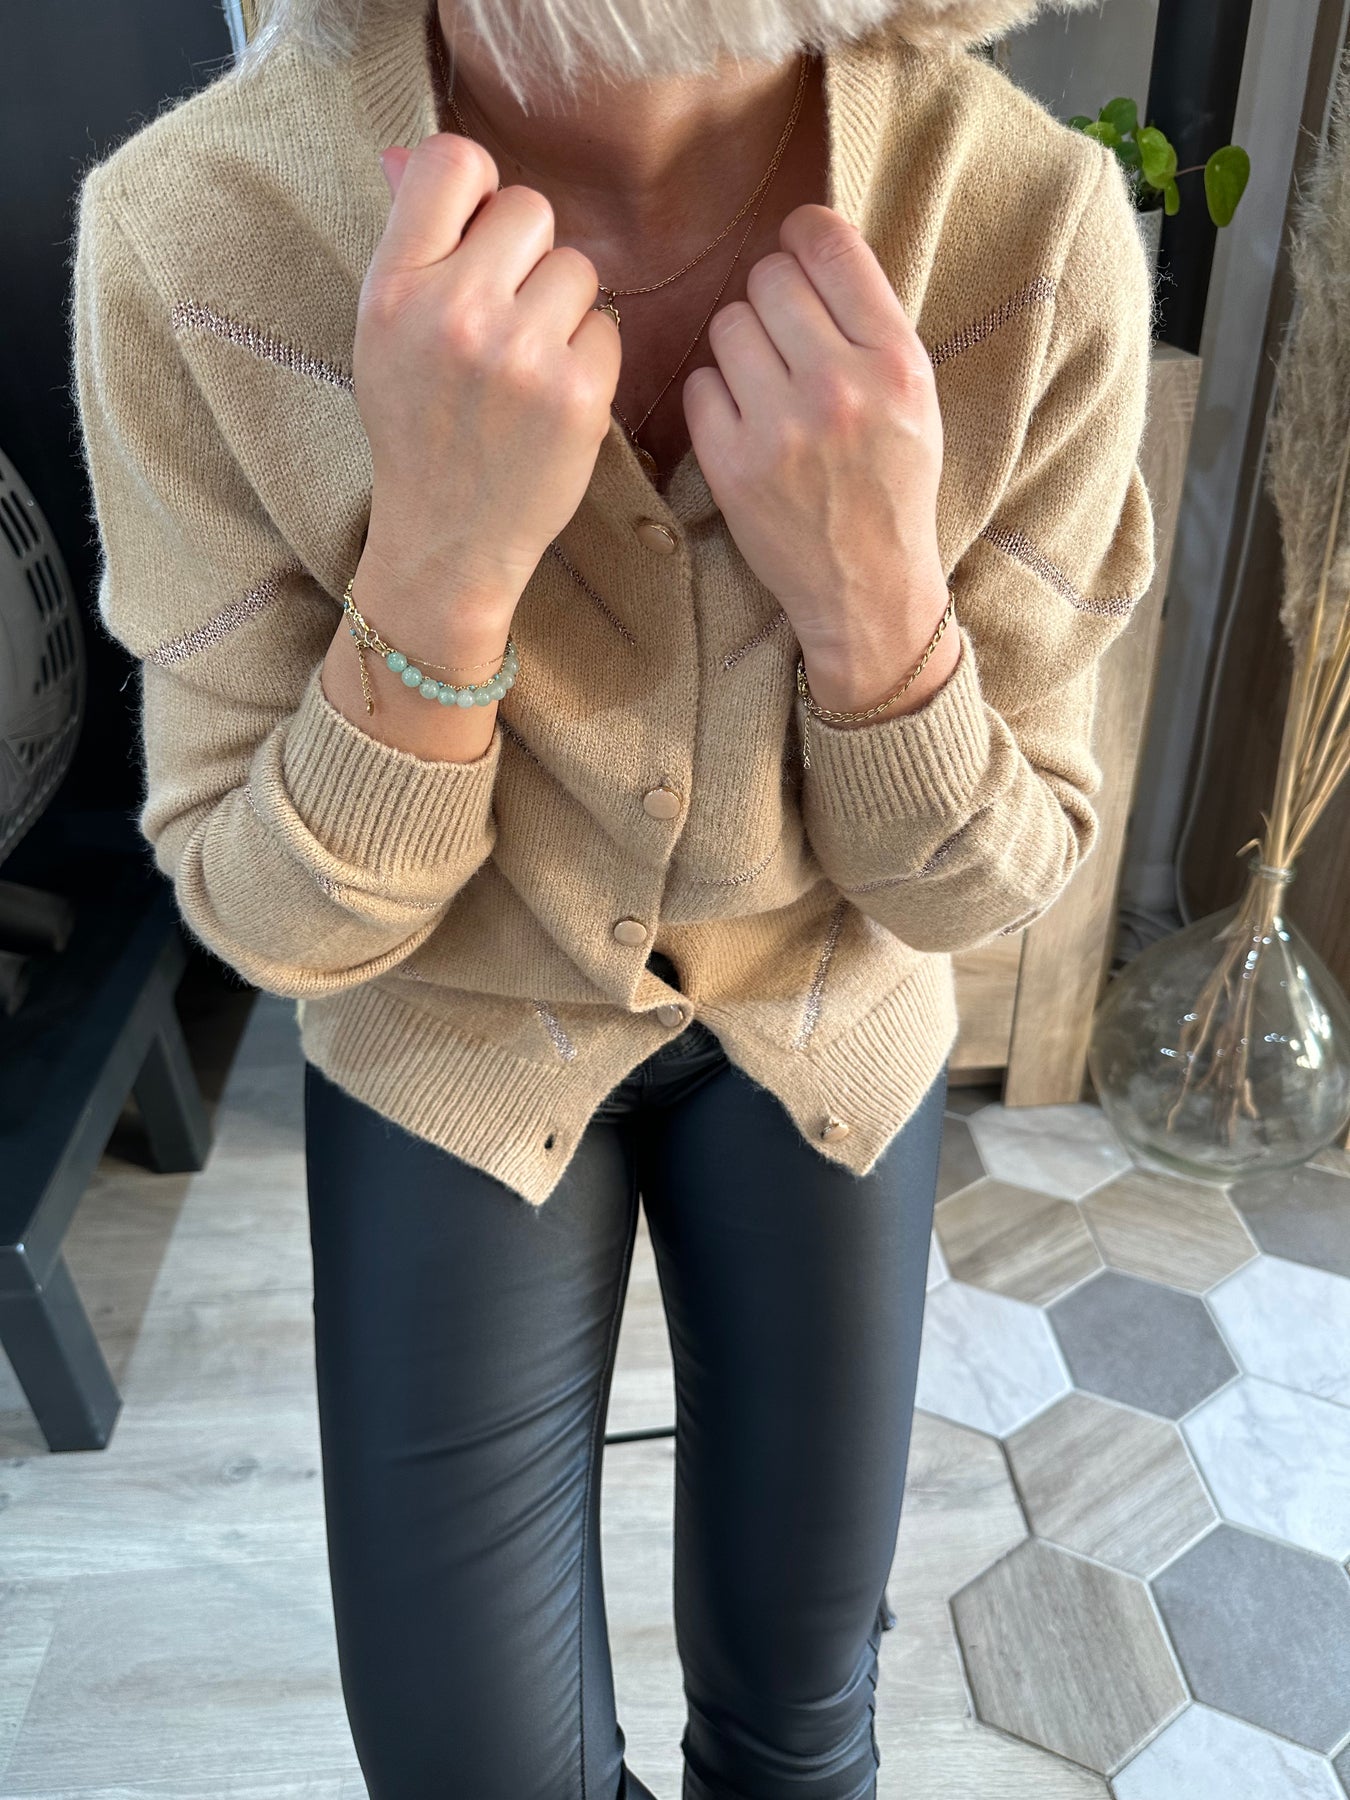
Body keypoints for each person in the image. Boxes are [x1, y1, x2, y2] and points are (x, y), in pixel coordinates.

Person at [69, 0, 1155, 1792]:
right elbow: (271, 918)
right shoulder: (199, 234)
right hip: (449, 1033)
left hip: (823, 1008)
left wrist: (877, 614)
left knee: (801, 1734)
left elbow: (984, 882)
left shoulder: (1026, 231)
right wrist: (434, 572)